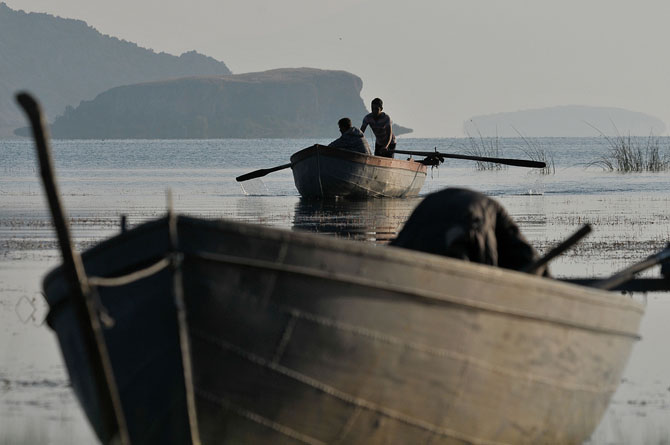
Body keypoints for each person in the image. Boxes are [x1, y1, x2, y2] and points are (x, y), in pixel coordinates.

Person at [390, 188, 548, 275]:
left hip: (433, 203)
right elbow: (488, 262)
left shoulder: (504, 232)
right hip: (469, 212)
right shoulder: (507, 234)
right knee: (482, 274)